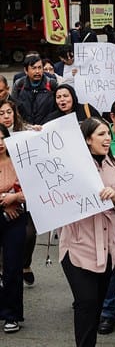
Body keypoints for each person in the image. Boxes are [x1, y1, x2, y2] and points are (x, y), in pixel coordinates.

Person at [59, 118, 115, 347]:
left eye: (108, 134)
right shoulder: (70, 166)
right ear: (87, 139)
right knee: (86, 302)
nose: (107, 138)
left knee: (97, 304)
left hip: (109, 250)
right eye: (101, 134)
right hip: (77, 245)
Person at [0, 124, 27, 334]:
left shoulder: (20, 161)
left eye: (2, 138)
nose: (0, 143)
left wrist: (15, 198)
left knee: (13, 267)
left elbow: (32, 188)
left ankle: (11, 314)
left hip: (16, 217)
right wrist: (4, 200)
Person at [11, 55, 57, 125]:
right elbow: (13, 107)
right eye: (34, 68)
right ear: (26, 70)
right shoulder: (19, 84)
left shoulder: (51, 84)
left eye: (40, 68)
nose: (37, 71)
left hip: (47, 128)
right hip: (25, 128)